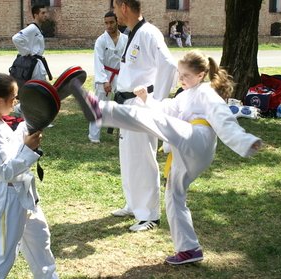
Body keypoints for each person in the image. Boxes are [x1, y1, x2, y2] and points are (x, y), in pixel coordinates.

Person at [72, 50, 262, 265]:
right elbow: (165, 109)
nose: (181, 79)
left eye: (186, 75)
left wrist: (245, 141)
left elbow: (223, 118)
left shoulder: (206, 92)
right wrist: (146, 99)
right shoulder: (184, 94)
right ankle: (189, 249)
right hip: (187, 150)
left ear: (200, 75)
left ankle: (101, 111)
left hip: (198, 139)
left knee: (153, 121)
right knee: (174, 198)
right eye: (179, 75)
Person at [0, 73, 58, 279]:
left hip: (23, 194)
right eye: (13, 98)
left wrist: (31, 124)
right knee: (1, 256)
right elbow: (6, 170)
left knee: (40, 242)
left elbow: (13, 145)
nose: (16, 102)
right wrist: (29, 149)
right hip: (7, 197)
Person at [111, 0, 178, 232]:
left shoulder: (149, 33)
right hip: (127, 103)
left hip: (141, 104)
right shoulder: (132, 34)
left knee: (142, 157)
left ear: (123, 7)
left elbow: (169, 65)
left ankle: (149, 214)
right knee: (128, 156)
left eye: (115, 7)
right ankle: (133, 204)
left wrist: (155, 103)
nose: (114, 13)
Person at [88, 11, 128, 143]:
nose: (109, 25)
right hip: (104, 75)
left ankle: (123, 135)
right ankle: (94, 136)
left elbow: (127, 60)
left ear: (117, 22)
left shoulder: (125, 39)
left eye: (111, 22)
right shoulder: (101, 40)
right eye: (106, 23)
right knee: (99, 106)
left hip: (120, 75)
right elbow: (98, 62)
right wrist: (104, 81)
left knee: (122, 104)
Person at [12, 4, 54, 127]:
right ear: (35, 14)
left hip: (36, 63)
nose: (45, 15)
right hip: (34, 64)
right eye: (42, 13)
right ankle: (39, 118)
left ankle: (23, 110)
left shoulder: (36, 29)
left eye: (46, 13)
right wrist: (27, 52)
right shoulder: (32, 28)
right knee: (40, 91)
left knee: (36, 90)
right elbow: (16, 38)